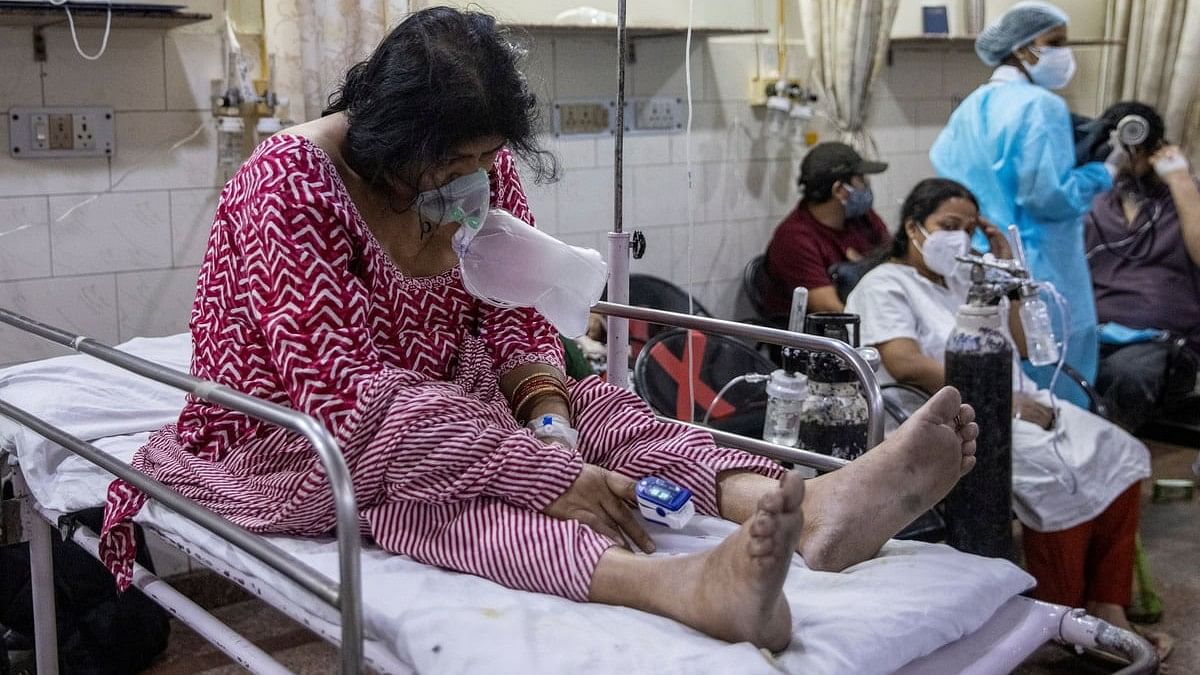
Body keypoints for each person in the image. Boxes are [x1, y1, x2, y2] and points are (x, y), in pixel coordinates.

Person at [96, 8, 981, 651]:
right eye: (458, 162)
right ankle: (677, 583)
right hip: (292, 432)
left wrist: (549, 413)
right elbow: (350, 408)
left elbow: (515, 315)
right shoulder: (287, 188)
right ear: (390, 137)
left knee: (609, 410)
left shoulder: (481, 170)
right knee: (428, 496)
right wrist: (541, 473)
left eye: (490, 159)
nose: (479, 181)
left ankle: (809, 507)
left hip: (449, 389)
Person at [845, 178, 1170, 657]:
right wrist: (1001, 400)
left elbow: (1019, 343)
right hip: (947, 417)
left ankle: (1108, 606)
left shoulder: (965, 278)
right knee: (1060, 474)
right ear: (914, 228)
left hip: (1016, 403)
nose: (959, 238)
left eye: (969, 228)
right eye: (947, 226)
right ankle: (1061, 622)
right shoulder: (885, 285)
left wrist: (1010, 272)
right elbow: (905, 363)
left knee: (1117, 452)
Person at [929, 1, 1119, 408]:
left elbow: (947, 172)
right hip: (1043, 273)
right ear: (1022, 47)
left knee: (1002, 392)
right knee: (1057, 387)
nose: (1064, 53)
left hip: (985, 267)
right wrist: (1107, 172)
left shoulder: (968, 109)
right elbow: (1050, 196)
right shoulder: (1041, 106)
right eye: (1055, 42)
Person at [1085, 102, 1200, 432]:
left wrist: (1180, 180)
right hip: (1093, 333)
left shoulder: (1185, 200)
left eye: (1135, 151)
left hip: (1162, 343)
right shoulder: (1092, 201)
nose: (1125, 161)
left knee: (1124, 376)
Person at [761, 142, 891, 320]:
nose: (866, 185)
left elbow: (896, 261)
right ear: (839, 190)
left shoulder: (863, 219)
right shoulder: (795, 238)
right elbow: (833, 310)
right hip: (823, 338)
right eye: (860, 179)